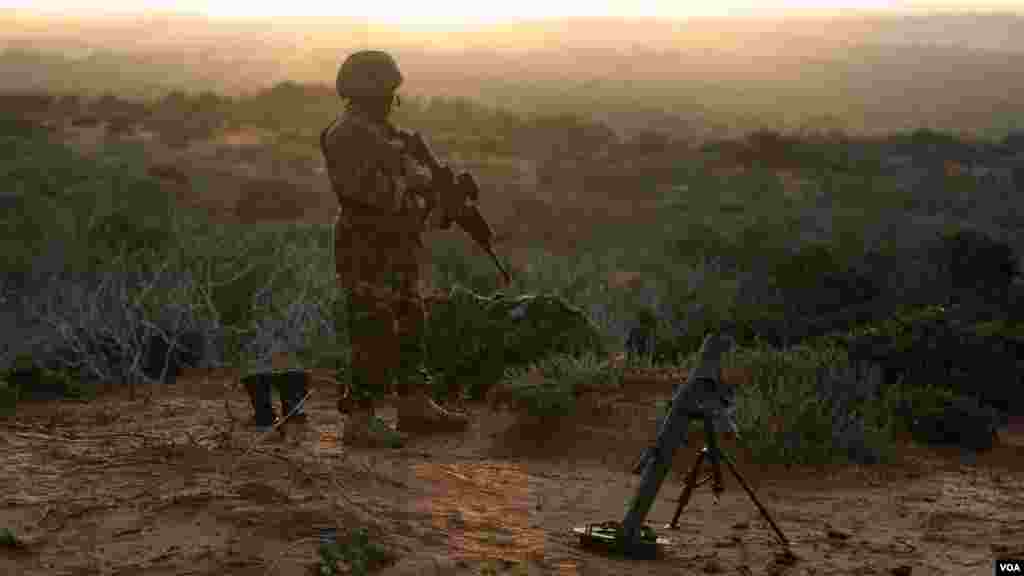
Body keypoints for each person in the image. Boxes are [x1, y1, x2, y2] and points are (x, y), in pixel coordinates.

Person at [321, 50, 470, 448]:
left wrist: (436, 191)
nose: (392, 100)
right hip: (366, 244)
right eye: (387, 92)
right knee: (372, 327)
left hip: (394, 243)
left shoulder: (380, 131)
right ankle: (361, 417)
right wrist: (421, 194)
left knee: (409, 317)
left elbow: (405, 172)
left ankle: (413, 403)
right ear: (368, 92)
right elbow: (367, 193)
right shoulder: (348, 133)